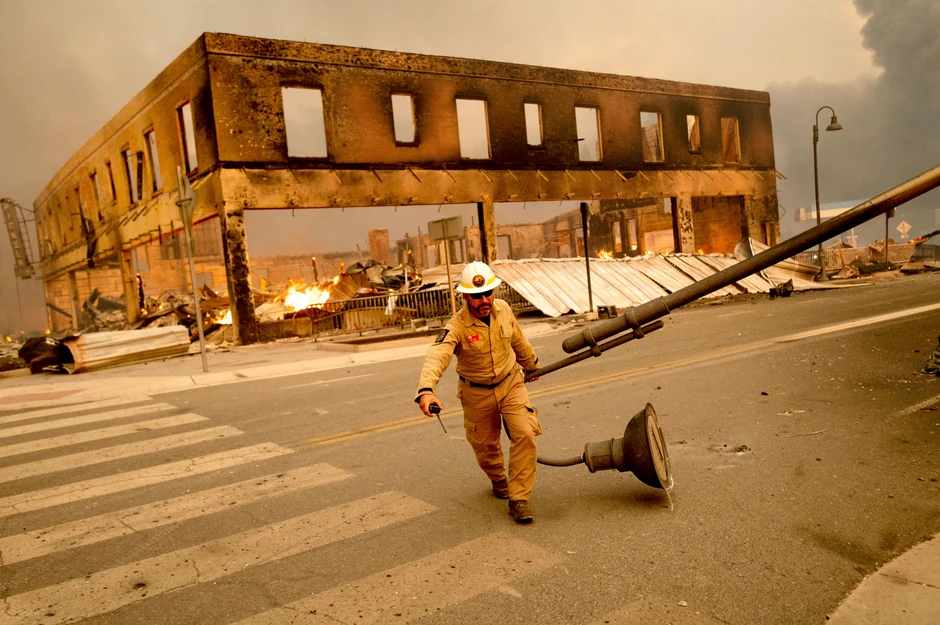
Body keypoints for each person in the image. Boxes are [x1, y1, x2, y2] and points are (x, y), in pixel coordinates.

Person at [415, 261, 542, 523]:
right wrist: (426, 390)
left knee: (525, 433)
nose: (484, 300)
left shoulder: (503, 309)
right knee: (485, 447)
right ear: (465, 297)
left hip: (510, 384)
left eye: (488, 293)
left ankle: (519, 499)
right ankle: (498, 479)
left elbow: (518, 340)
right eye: (477, 296)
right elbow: (437, 355)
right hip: (476, 393)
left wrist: (531, 365)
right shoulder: (457, 326)